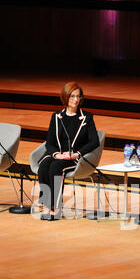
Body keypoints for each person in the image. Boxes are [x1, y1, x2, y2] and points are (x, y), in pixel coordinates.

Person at [37, 82, 100, 220]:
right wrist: (57, 154)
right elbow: (50, 142)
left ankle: (57, 208)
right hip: (58, 154)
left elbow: (94, 141)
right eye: (72, 96)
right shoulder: (56, 117)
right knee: (43, 166)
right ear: (66, 97)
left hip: (74, 157)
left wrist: (77, 154)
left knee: (55, 167)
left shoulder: (86, 118)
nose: (76, 100)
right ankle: (47, 206)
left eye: (78, 96)